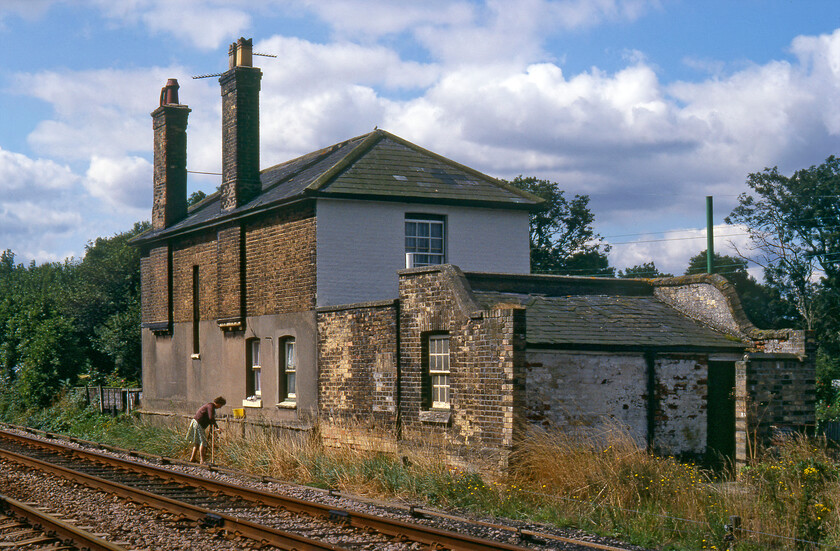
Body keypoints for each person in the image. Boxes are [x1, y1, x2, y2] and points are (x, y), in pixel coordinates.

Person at [186, 396, 226, 464]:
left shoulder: (209, 406)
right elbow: (211, 418)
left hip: (196, 423)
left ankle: (192, 458)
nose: (220, 407)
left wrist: (214, 426)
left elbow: (209, 418)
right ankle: (202, 460)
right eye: (221, 405)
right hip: (198, 423)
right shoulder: (211, 406)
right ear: (218, 403)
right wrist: (217, 427)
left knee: (197, 442)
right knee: (203, 442)